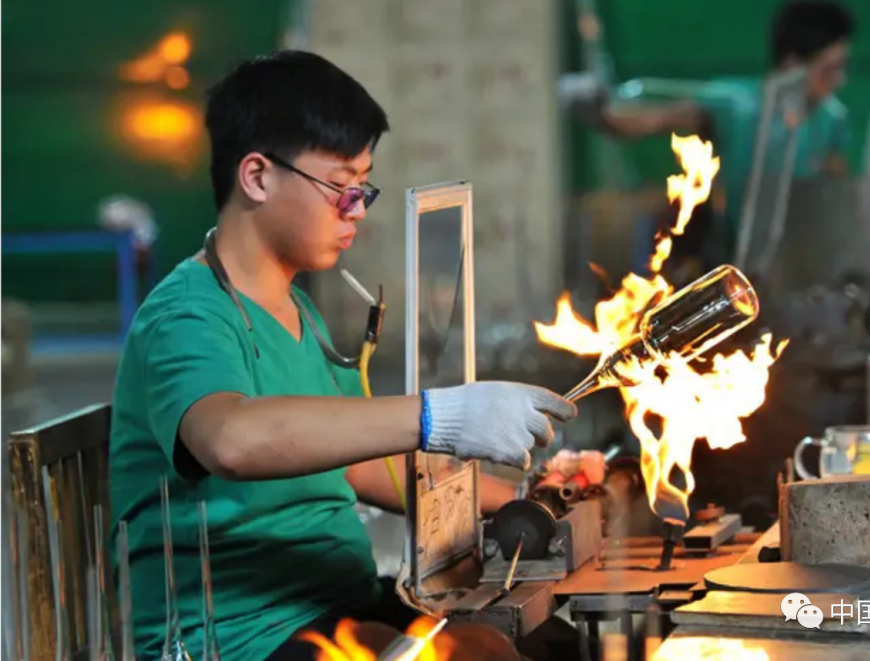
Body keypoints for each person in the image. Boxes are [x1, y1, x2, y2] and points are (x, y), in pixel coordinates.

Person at [108, 50, 577, 661]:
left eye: (363, 188)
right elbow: (230, 439)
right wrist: (437, 415)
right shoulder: (188, 316)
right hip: (241, 637)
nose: (356, 209)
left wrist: (527, 497)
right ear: (257, 177)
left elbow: (359, 469)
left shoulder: (298, 311)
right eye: (340, 186)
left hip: (333, 602)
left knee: (547, 641)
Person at [586, 0, 856, 266]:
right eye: (830, 70)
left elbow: (837, 192)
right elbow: (653, 121)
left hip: (795, 263)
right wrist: (596, 112)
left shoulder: (831, 119)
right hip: (727, 258)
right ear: (792, 63)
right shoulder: (736, 105)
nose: (840, 81)